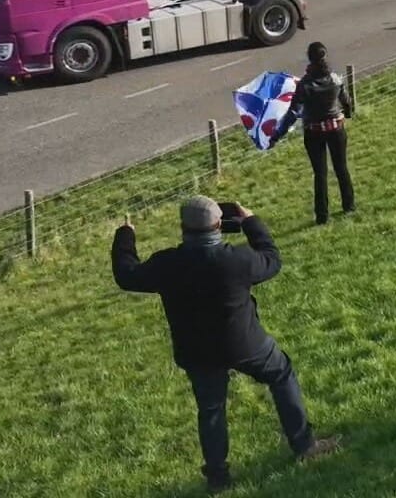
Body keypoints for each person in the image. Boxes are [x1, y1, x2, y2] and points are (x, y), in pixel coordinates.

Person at [112, 196, 340, 493]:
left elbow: (127, 275)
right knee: (281, 373)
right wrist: (251, 222)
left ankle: (218, 478)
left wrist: (125, 235)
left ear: (183, 228)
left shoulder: (166, 264)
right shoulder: (237, 260)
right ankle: (304, 445)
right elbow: (271, 259)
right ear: (219, 225)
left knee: (211, 408)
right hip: (245, 343)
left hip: (197, 351)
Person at [275, 42, 356, 225]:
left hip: (314, 131)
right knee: (341, 168)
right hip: (336, 128)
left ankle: (322, 215)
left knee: (320, 174)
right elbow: (346, 101)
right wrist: (348, 113)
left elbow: (293, 112)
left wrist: (278, 133)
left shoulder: (305, 84)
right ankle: (349, 206)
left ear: (309, 58)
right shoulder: (335, 78)